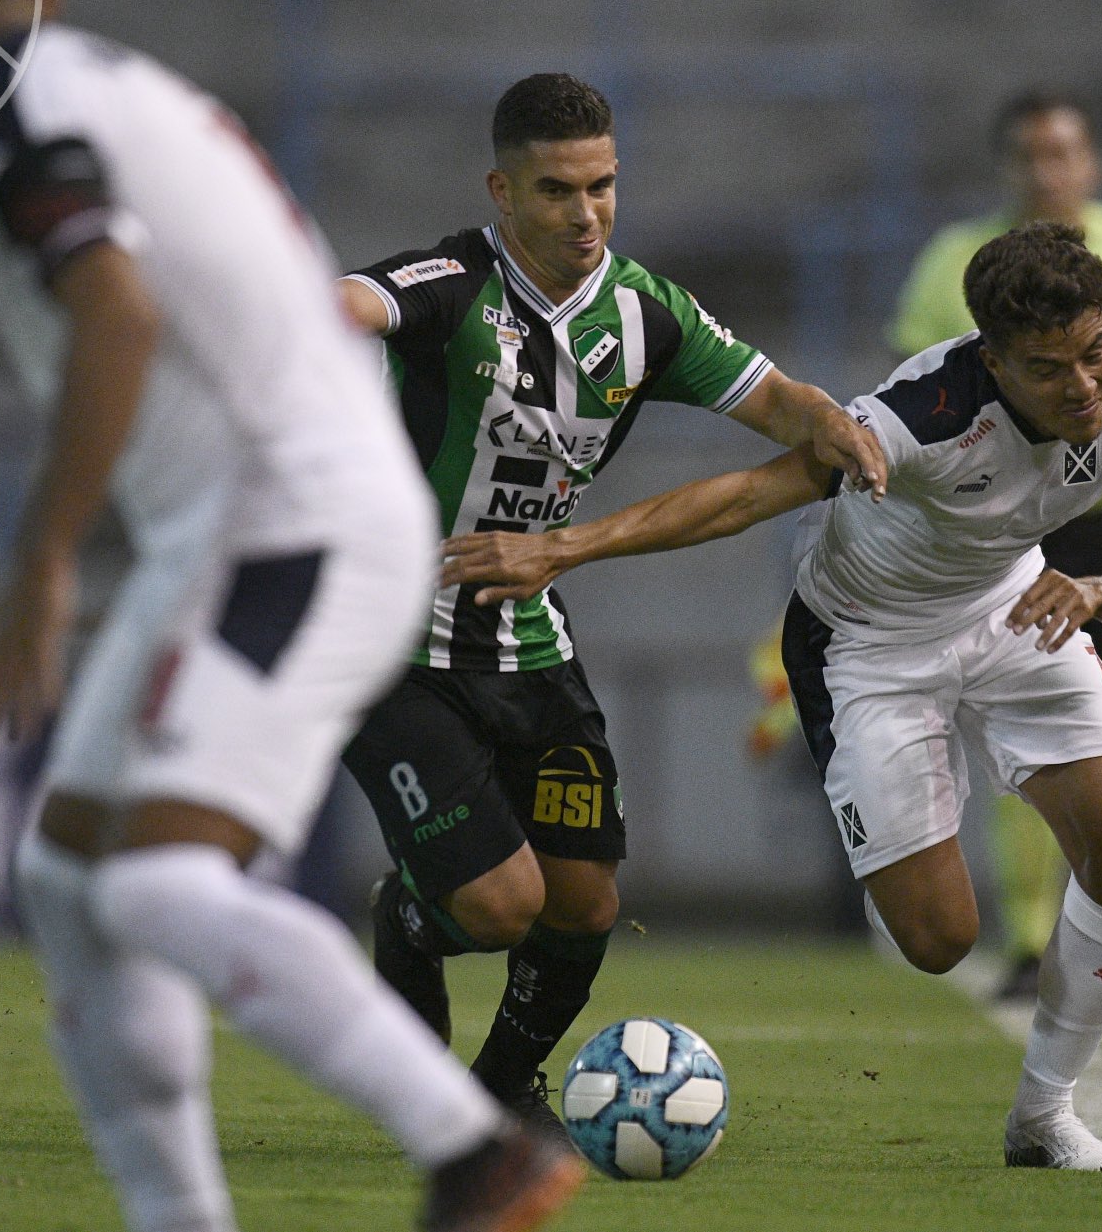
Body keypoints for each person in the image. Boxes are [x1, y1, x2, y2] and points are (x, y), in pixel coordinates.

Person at [0, 0, 583, 1228]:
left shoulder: (18, 116)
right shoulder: (95, 80)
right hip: (243, 526)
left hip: (295, 527)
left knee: (152, 877)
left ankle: (472, 1143)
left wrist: (43, 564)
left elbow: (116, 319)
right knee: (68, 874)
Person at [445, 222, 1102, 1171]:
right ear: (991, 360)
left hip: (1018, 608)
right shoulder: (918, 416)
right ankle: (901, 809)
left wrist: (1099, 589)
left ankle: (1043, 1113)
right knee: (938, 940)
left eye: (1093, 352)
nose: (1087, 385)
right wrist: (562, 546)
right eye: (1050, 369)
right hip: (868, 644)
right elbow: (749, 494)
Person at [332, 73, 887, 1135]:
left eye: (602, 186)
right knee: (497, 905)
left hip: (533, 642)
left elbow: (779, 403)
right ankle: (408, 921)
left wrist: (831, 424)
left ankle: (494, 1089)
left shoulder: (642, 314)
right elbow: (351, 303)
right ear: (502, 190)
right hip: (398, 644)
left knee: (583, 904)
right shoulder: (452, 286)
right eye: (554, 191)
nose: (584, 213)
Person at [892, 90, 1102, 1002]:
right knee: (1022, 720)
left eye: (1064, 151)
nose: (1049, 170)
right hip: (1003, 515)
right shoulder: (949, 262)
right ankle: (1037, 933)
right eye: (1031, 155)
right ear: (1010, 167)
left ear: (1091, 162)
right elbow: (917, 389)